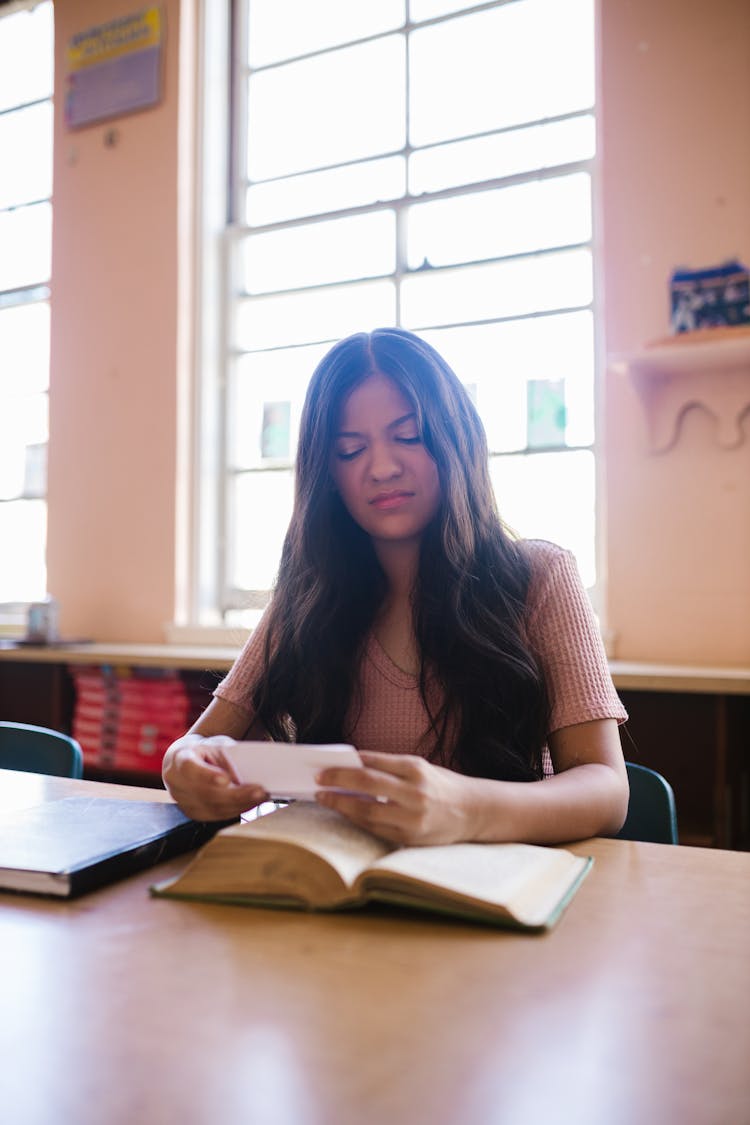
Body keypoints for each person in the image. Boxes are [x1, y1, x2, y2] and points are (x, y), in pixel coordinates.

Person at [163, 328, 629, 845]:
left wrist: (468, 808)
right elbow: (197, 743)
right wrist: (182, 764)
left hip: (498, 887)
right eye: (349, 450)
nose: (382, 468)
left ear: (456, 439)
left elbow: (607, 791)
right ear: (327, 474)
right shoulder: (308, 594)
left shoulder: (539, 576)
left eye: (409, 436)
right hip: (342, 894)